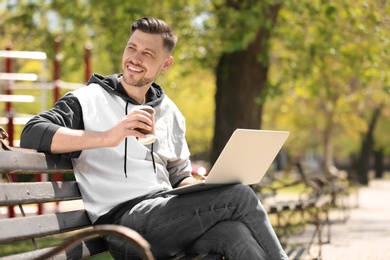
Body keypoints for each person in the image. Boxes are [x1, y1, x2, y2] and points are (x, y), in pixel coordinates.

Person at [20, 17, 288, 260]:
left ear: (165, 64)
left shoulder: (170, 111)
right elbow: (32, 133)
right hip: (124, 225)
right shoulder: (88, 99)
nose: (135, 59)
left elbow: (178, 173)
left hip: (168, 215)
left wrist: (202, 188)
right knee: (239, 195)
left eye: (148, 53)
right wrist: (109, 136)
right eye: (131, 48)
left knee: (234, 233)